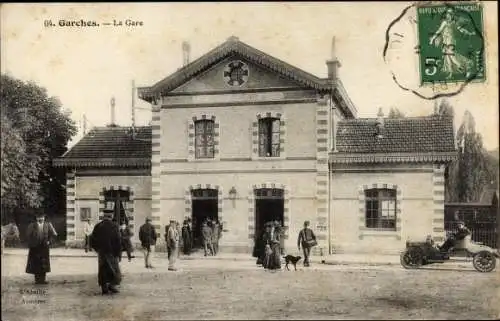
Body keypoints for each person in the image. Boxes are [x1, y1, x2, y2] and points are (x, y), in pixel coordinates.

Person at [429, 7, 476, 79]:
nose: (449, 15)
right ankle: (451, 74)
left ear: (452, 15)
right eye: (448, 14)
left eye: (451, 14)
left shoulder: (454, 23)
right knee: (447, 58)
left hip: (451, 41)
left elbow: (461, 29)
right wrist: (432, 39)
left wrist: (469, 33)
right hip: (445, 42)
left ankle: (462, 66)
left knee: (451, 55)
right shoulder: (444, 22)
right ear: (446, 15)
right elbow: (439, 31)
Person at [91, 209, 122, 295]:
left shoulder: (98, 226)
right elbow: (118, 240)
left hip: (102, 252)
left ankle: (104, 287)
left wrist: (97, 249)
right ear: (111, 216)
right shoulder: (115, 226)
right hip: (112, 252)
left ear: (104, 216)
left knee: (102, 269)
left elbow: (92, 239)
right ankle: (112, 286)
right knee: (114, 270)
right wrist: (119, 253)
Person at [25, 213, 57, 285]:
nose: (41, 219)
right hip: (34, 248)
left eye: (42, 217)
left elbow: (54, 234)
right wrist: (31, 244)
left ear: (44, 217)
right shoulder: (32, 225)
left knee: (44, 264)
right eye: (39, 217)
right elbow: (28, 235)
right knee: (36, 264)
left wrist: (49, 241)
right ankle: (37, 280)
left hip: (44, 248)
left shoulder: (48, 224)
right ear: (36, 218)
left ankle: (43, 280)